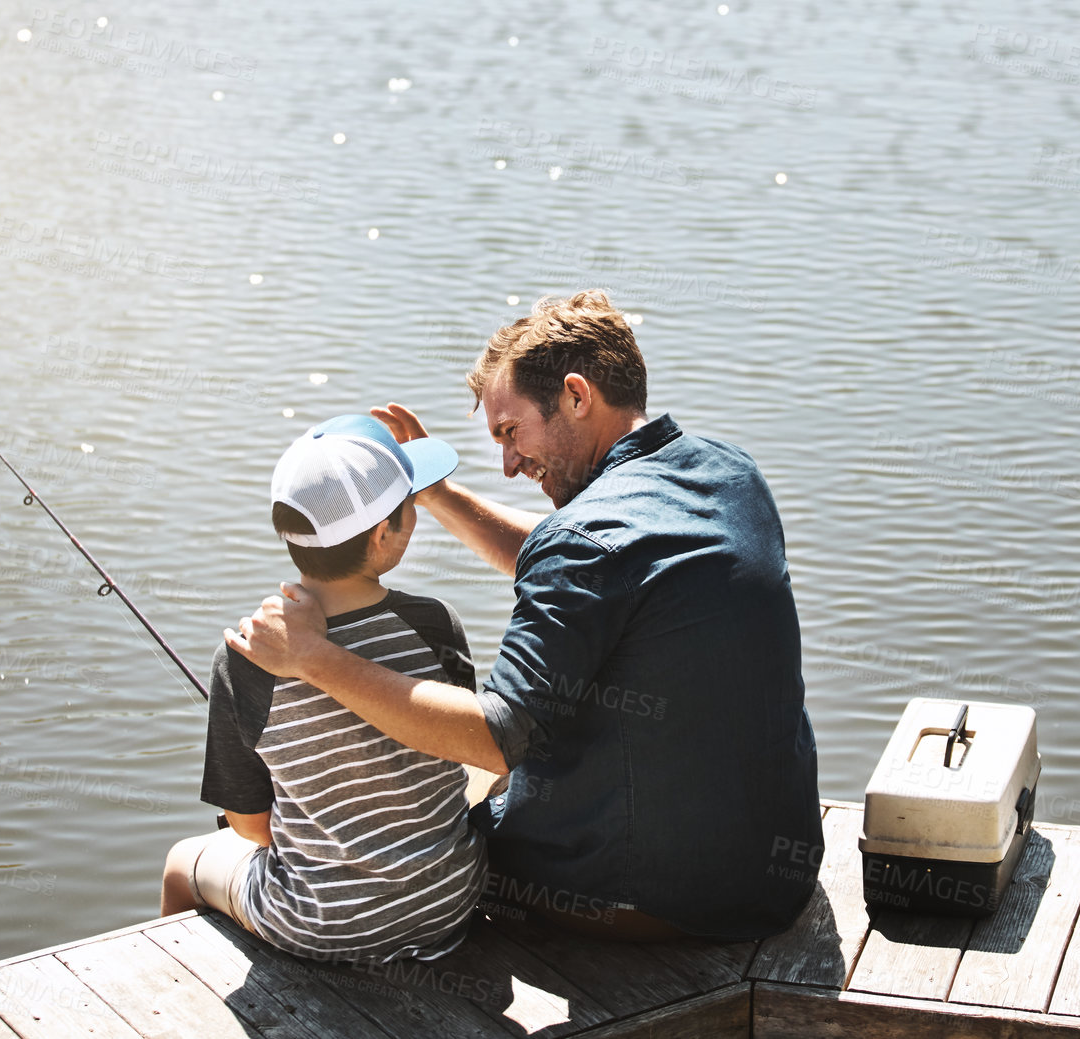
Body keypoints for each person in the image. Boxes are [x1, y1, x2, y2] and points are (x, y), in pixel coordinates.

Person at [227, 290, 823, 942]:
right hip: (772, 876)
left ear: (575, 394)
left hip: (650, 898)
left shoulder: (585, 544)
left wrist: (312, 655)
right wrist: (440, 495)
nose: (509, 465)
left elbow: (493, 735)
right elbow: (592, 567)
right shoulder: (725, 470)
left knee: (430, 835)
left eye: (510, 433)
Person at [162, 414, 487, 964]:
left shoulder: (243, 659)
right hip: (448, 901)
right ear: (385, 534)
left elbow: (251, 829)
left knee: (180, 864)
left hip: (320, 926)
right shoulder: (436, 624)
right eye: (410, 506)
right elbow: (464, 749)